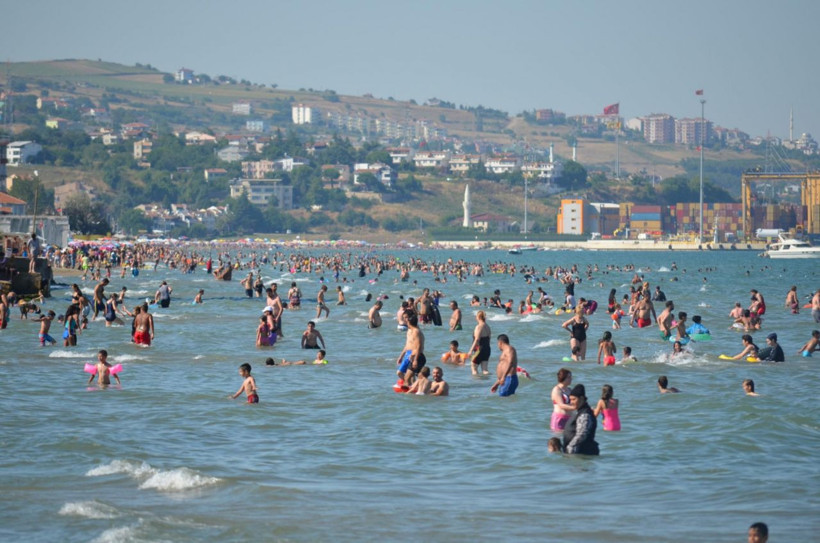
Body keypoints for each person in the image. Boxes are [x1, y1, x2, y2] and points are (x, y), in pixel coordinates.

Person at [562, 384, 599, 455]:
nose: (571, 402)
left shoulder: (585, 414)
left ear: (582, 398)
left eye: (574, 399)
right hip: (576, 455)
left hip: (582, 454)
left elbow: (582, 434)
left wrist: (570, 448)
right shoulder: (579, 412)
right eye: (570, 399)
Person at [396, 313, 426, 386]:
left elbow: (418, 346)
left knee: (411, 377)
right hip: (410, 355)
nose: (405, 321)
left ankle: (414, 388)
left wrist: (415, 359)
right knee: (408, 377)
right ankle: (412, 388)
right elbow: (407, 345)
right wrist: (401, 356)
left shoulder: (416, 331)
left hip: (416, 356)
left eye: (406, 318)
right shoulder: (410, 331)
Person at [467, 310, 491, 375]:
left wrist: (470, 351)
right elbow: (489, 339)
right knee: (485, 369)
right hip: (487, 349)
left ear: (478, 317)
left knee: (473, 367)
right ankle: (488, 381)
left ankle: (477, 383)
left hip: (479, 349)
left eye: (476, 316)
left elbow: (477, 339)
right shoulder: (488, 327)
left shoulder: (479, 327)